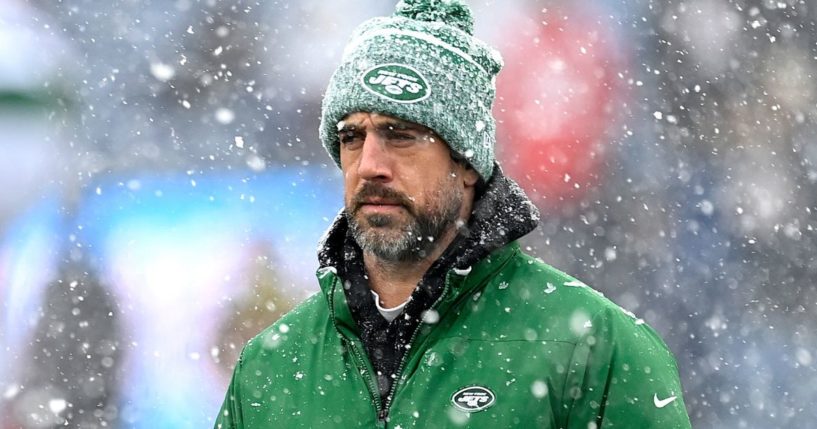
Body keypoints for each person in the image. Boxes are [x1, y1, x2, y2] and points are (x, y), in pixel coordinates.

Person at [214, 1, 692, 427]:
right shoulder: (269, 367)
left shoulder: (592, 347)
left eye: (400, 134)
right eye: (352, 137)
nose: (370, 165)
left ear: (465, 163)